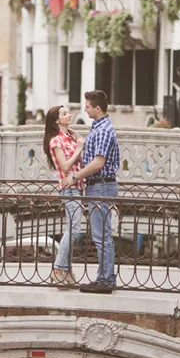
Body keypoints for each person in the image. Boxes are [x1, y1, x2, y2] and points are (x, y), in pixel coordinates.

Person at [64, 89, 120, 294]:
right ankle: (106, 278)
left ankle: (105, 281)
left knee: (101, 235)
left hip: (102, 185)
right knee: (101, 234)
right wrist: (79, 140)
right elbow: (90, 156)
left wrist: (74, 177)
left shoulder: (104, 130)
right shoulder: (98, 127)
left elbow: (98, 162)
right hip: (98, 185)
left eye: (87, 106)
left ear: (97, 108)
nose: (85, 110)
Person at [43, 105, 85, 288]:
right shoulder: (55, 141)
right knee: (73, 231)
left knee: (72, 230)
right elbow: (65, 166)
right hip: (68, 189)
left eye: (68, 112)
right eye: (64, 114)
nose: (69, 115)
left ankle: (66, 270)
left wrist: (76, 138)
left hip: (77, 187)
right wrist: (79, 148)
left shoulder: (68, 138)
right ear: (56, 120)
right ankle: (58, 269)